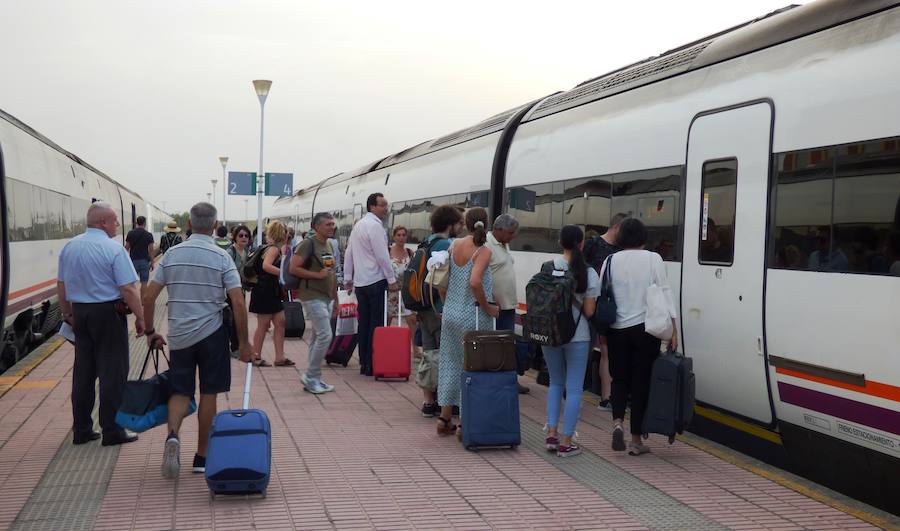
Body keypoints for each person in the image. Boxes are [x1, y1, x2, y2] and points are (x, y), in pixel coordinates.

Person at [142, 202, 252, 477]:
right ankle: (202, 457)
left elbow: (149, 297)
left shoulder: (172, 255)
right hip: (212, 334)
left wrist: (150, 331)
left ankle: (173, 436)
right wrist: (244, 343)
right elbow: (238, 302)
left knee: (180, 391)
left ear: (189, 224)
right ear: (215, 226)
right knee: (209, 393)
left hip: (179, 335)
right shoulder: (222, 257)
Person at [57, 202, 145, 446]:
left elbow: (61, 284)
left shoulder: (70, 247)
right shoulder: (113, 249)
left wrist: (67, 314)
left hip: (80, 313)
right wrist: (141, 317)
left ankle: (82, 429)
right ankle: (112, 430)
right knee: (112, 373)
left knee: (83, 373)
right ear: (103, 222)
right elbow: (128, 288)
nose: (117, 224)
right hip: (107, 315)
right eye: (114, 220)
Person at [599, 218, 678, 456]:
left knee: (619, 379)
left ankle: (617, 423)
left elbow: (603, 292)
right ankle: (635, 441)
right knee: (641, 383)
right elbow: (665, 293)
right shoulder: (653, 259)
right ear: (643, 237)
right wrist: (674, 329)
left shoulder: (610, 260)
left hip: (616, 328)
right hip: (645, 330)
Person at [435, 207, 497, 437]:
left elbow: (441, 281)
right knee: (471, 367)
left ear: (466, 223)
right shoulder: (483, 251)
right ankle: (464, 424)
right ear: (486, 224)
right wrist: (488, 307)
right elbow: (475, 282)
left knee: (450, 363)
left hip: (450, 314)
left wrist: (448, 304)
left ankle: (444, 419)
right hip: (474, 317)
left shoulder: (454, 245)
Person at [542, 225, 600, 458]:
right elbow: (590, 311)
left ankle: (551, 435)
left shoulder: (548, 267)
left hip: (550, 333)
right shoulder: (589, 273)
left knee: (555, 383)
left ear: (560, 242)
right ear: (582, 243)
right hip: (578, 335)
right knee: (574, 388)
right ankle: (566, 442)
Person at [344, 193, 398, 376]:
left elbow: (349, 253)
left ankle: (364, 363)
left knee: (364, 324)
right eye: (383, 205)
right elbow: (382, 256)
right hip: (376, 281)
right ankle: (372, 363)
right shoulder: (375, 226)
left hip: (360, 283)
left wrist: (348, 278)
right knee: (376, 323)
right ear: (372, 206)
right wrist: (391, 279)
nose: (386, 209)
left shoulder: (358, 226)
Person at [416, 205, 462, 417]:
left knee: (429, 354)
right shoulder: (447, 245)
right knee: (447, 356)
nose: (461, 228)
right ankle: (446, 401)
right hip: (439, 307)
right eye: (459, 223)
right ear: (450, 224)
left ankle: (428, 402)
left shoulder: (427, 242)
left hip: (424, 306)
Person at [583, 213, 629, 411]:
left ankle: (606, 398)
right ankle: (573, 389)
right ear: (616, 227)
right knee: (584, 350)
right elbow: (580, 270)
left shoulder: (622, 250)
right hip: (590, 305)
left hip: (609, 307)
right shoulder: (593, 244)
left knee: (606, 352)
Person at [289, 213, 339, 394]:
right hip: (311, 295)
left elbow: (331, 273)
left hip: (326, 297)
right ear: (317, 227)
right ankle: (311, 376)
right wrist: (317, 275)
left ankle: (314, 378)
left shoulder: (329, 245)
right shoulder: (307, 244)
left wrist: (336, 299)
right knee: (325, 335)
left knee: (318, 337)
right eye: (328, 224)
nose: (332, 227)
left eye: (333, 224)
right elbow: (293, 268)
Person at [485, 213, 528, 394]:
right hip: (496, 307)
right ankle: (497, 380)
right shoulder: (487, 244)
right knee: (496, 345)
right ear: (498, 229)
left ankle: (510, 379)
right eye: (510, 232)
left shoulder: (503, 244)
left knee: (507, 344)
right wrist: (490, 299)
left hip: (508, 305)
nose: (513, 236)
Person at [249, 220, 292, 367]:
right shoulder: (273, 249)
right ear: (282, 233)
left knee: (280, 321)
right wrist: (283, 273)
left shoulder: (272, 248)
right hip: (265, 291)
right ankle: (256, 356)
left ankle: (280, 357)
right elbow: (266, 266)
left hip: (269, 291)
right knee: (264, 324)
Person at [388, 225, 417, 354]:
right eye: (398, 235)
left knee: (412, 319)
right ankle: (384, 344)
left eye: (404, 235)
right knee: (388, 317)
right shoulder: (388, 251)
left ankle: (415, 348)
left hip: (406, 290)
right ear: (394, 237)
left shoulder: (410, 252)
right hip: (391, 290)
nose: (401, 238)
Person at [125, 215, 155, 298]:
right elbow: (151, 250)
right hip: (144, 262)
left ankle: (132, 300)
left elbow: (126, 248)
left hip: (133, 262)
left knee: (131, 283)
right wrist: (152, 262)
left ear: (136, 223)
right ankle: (142, 301)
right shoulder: (148, 235)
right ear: (145, 223)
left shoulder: (131, 233)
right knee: (144, 282)